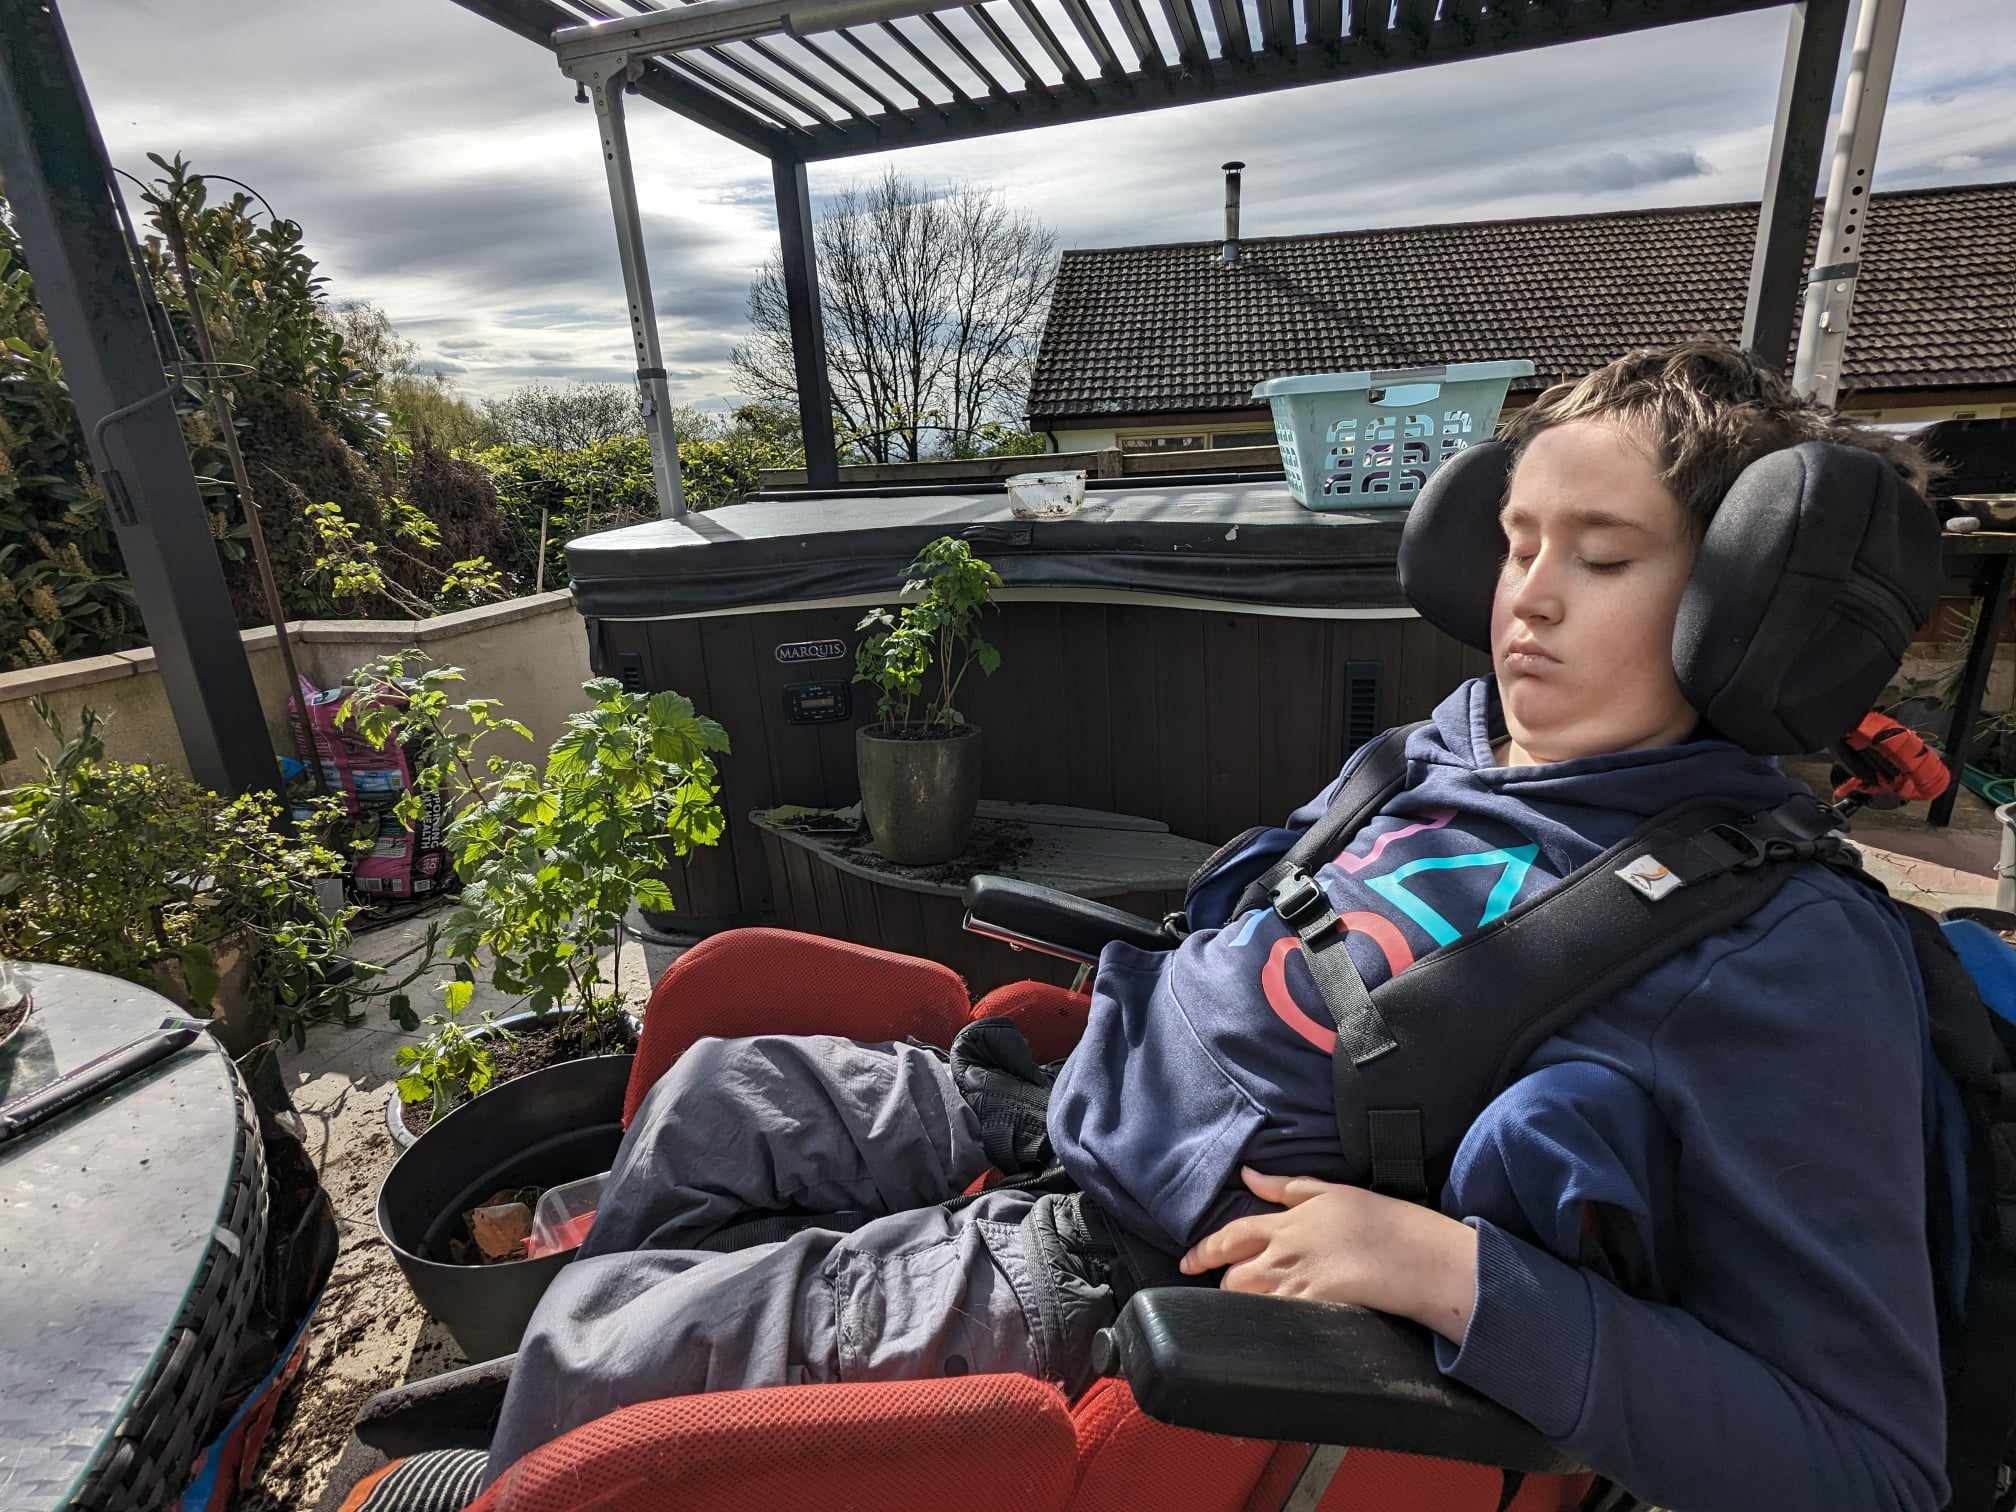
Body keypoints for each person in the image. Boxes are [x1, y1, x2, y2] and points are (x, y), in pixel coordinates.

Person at [485, 342, 1950, 1512]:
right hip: (1058, 1105)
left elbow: (1865, 1461)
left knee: (603, 1362)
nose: (1528, 604)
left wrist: (1449, 1272)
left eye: (1604, 559)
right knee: (714, 1088)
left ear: (1750, 611)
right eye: (1515, 544)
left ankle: (583, 1434)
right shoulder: (1447, 754)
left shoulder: (1768, 946)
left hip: (1113, 1266)